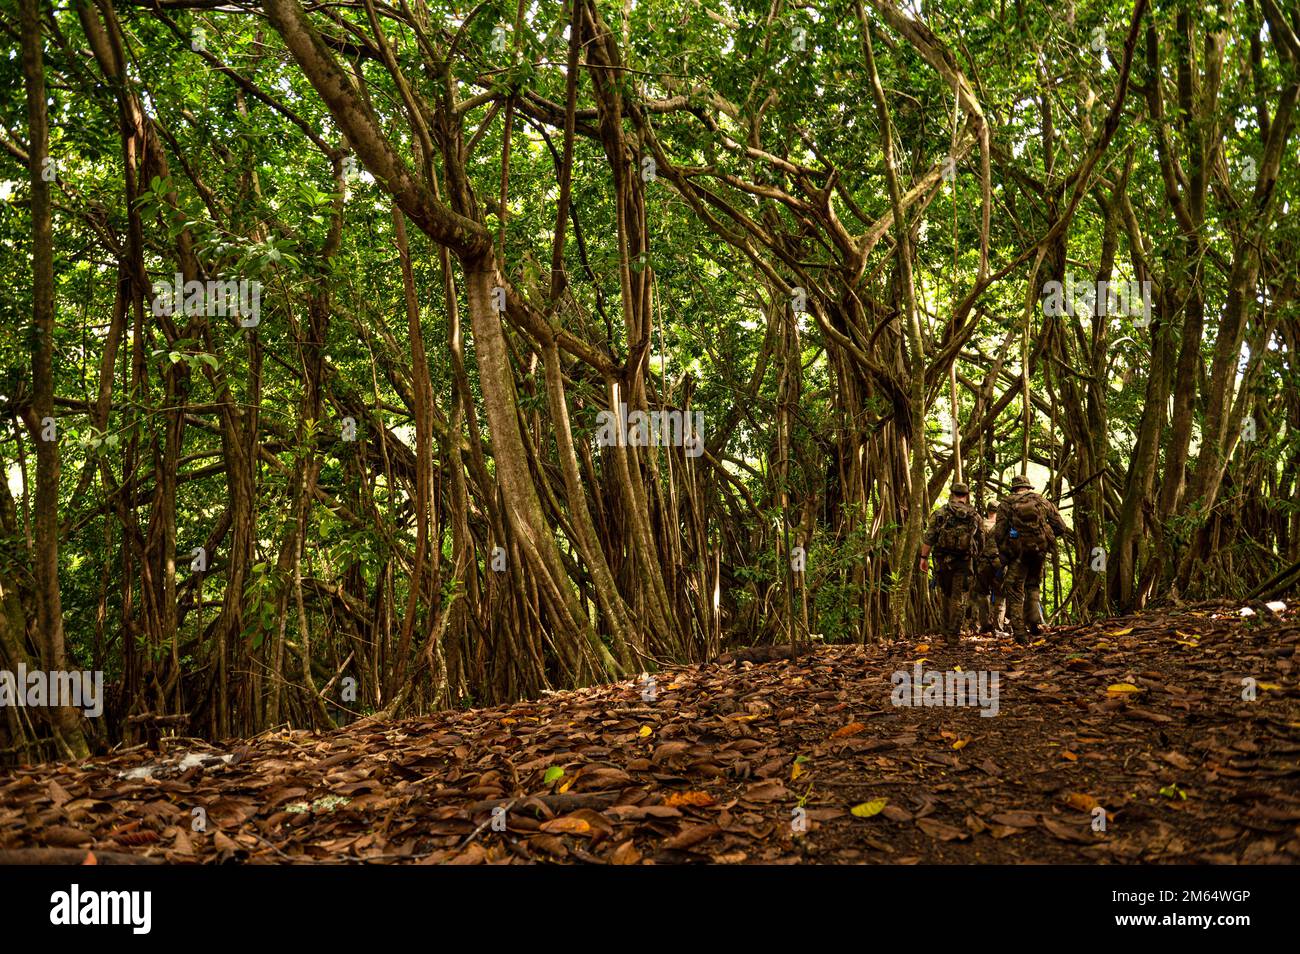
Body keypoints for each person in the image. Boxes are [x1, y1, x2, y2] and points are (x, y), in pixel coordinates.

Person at [993, 475, 1068, 645]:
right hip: (1039, 553)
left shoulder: (1006, 504)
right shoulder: (1042, 501)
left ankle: (1020, 632)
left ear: (1014, 488)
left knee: (1015, 590)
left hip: (1018, 555)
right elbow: (1061, 527)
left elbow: (999, 533)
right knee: (1033, 585)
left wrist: (1008, 551)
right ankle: (1035, 624)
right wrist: (1043, 540)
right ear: (1028, 487)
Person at [918, 482, 982, 646]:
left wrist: (923, 558)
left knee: (945, 595)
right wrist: (977, 559)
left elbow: (929, 537)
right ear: (966, 495)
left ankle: (946, 633)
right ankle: (953, 635)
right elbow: (981, 540)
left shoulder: (940, 513)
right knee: (959, 597)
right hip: (964, 562)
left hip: (942, 561)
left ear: (951, 493)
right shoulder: (974, 515)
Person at [971, 502, 1005, 635]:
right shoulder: (1003, 526)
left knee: (982, 594)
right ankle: (997, 627)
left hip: (982, 563)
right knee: (1000, 595)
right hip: (999, 563)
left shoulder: (979, 524)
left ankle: (985, 625)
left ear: (987, 510)